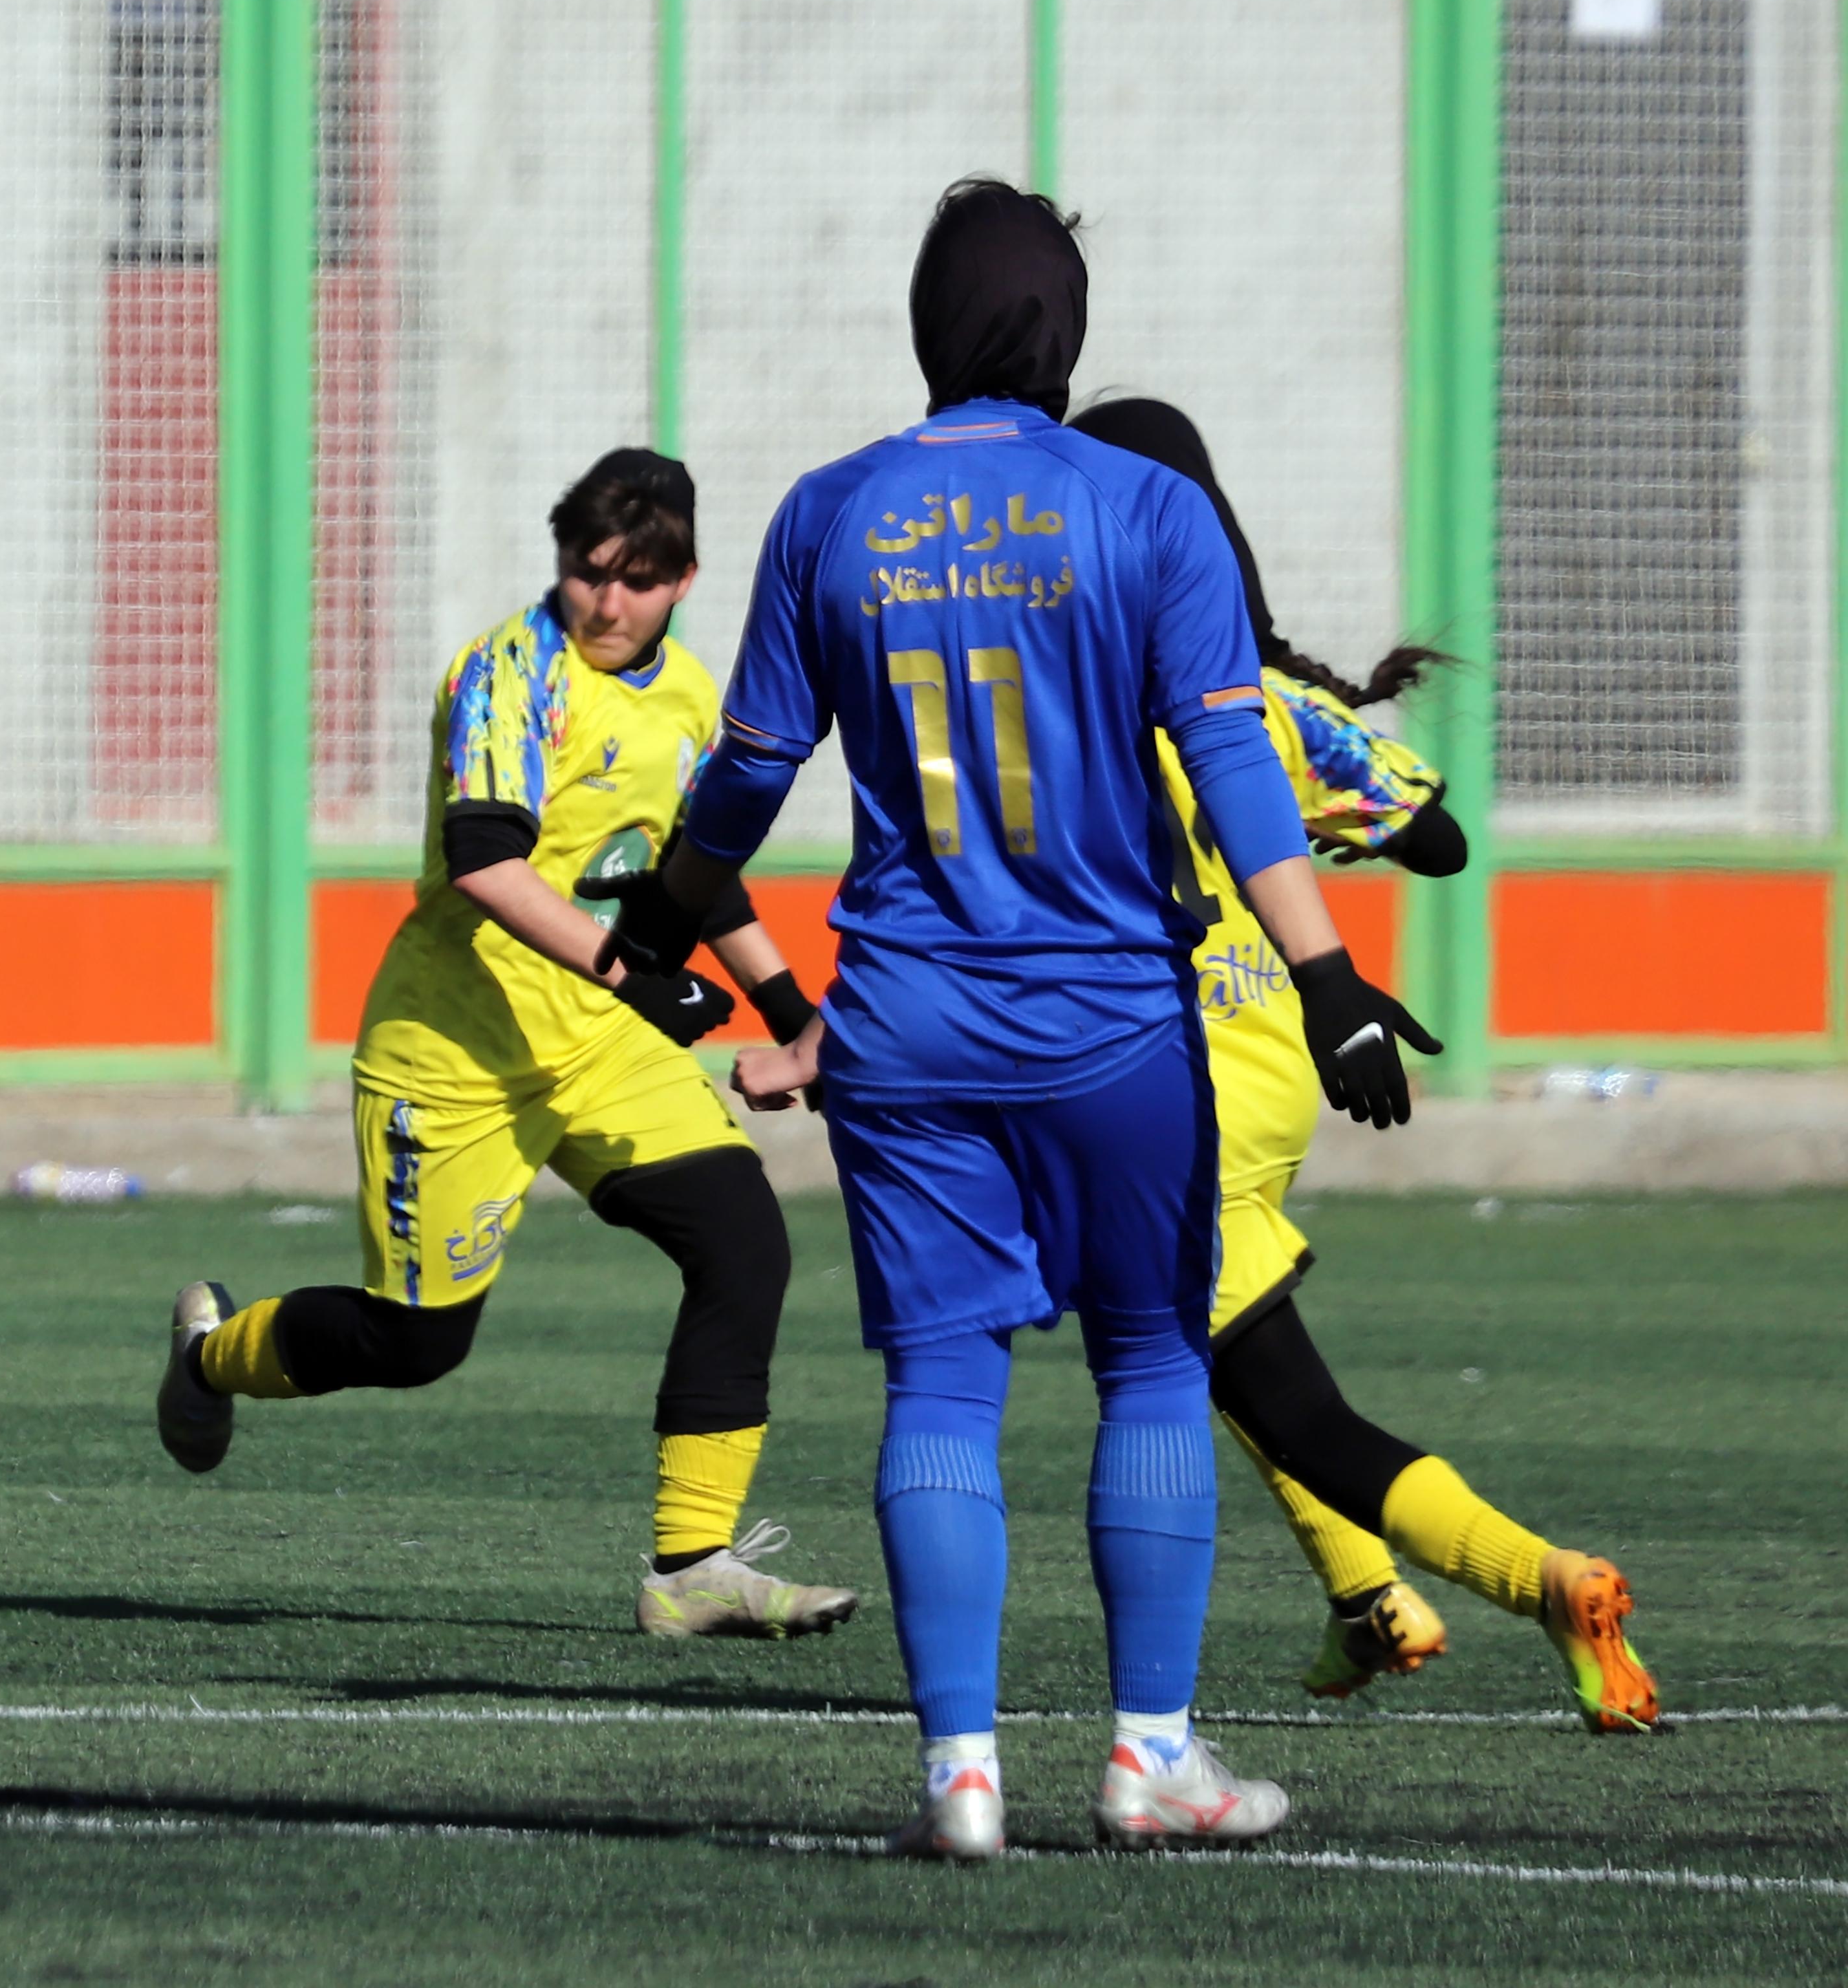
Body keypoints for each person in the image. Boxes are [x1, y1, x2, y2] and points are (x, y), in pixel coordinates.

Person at [594, 180, 1439, 1859]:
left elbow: (748, 773)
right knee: (1152, 1361)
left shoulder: (831, 510)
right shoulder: (1149, 508)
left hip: (904, 1029)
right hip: (1113, 1025)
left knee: (940, 1386)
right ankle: (1150, 1758)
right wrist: (1330, 979)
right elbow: (1235, 763)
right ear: (1066, 332)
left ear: (927, 328)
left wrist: (661, 923)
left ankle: (960, 1779)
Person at [157, 449, 861, 1641]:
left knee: (745, 1244)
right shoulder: (507, 672)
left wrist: (793, 1013)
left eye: (638, 581)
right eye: (589, 571)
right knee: (416, 1342)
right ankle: (212, 1355)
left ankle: (692, 1565)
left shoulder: (691, 695)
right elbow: (487, 862)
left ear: (685, 581)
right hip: (455, 1053)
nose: (607, 602)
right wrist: (640, 977)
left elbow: (696, 873)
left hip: (600, 1049)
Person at [1071, 396, 1656, 1733]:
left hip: (1167, 1097)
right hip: (1277, 1071)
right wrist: (1319, 790)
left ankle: (1546, 1580)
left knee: (1282, 1399)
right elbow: (1440, 841)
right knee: (1221, 1356)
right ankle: (1368, 1602)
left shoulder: (1080, 699)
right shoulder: (1265, 701)